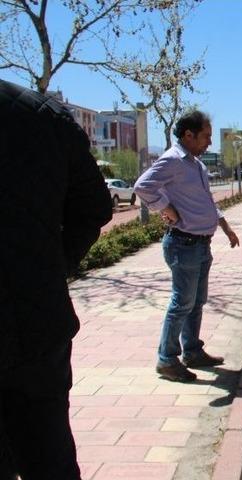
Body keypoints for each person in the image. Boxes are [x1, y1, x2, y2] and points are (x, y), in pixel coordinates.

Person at [0, 79, 113, 479]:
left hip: (33, 327)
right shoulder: (43, 115)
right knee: (48, 457)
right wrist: (49, 268)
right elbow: (95, 207)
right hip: (35, 324)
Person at [134, 110, 240, 383]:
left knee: (196, 303)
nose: (210, 142)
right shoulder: (173, 160)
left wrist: (225, 227)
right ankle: (167, 360)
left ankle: (192, 351)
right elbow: (143, 187)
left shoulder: (196, 165)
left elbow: (207, 201)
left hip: (201, 245)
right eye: (206, 136)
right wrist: (165, 207)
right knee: (182, 303)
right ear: (188, 135)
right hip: (183, 244)